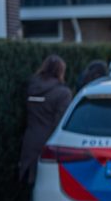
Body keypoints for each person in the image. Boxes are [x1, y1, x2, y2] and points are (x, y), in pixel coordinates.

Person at [18, 55, 72, 185]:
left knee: (30, 184)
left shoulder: (31, 88)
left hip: (30, 140)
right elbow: (60, 122)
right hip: (50, 143)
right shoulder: (63, 93)